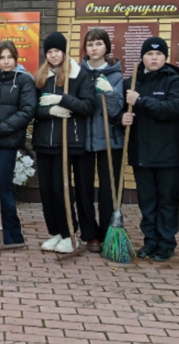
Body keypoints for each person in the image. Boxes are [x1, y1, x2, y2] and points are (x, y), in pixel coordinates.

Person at [121, 37, 179, 262]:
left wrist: (141, 101)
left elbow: (174, 109)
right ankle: (150, 241)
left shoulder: (174, 81)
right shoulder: (132, 82)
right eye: (149, 54)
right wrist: (123, 118)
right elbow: (119, 112)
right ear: (142, 57)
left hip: (168, 155)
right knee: (147, 201)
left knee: (167, 201)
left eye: (158, 54)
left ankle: (166, 243)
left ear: (165, 57)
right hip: (142, 154)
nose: (154, 58)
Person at [32, 32, 96, 254]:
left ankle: (70, 232)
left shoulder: (79, 75)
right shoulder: (41, 77)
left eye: (57, 51)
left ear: (64, 51)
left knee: (61, 189)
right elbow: (33, 109)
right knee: (47, 190)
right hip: (43, 141)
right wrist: (49, 111)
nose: (53, 55)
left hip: (67, 142)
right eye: (49, 52)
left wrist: (63, 99)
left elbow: (89, 106)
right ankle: (55, 232)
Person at [0, 40, 36, 246]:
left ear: (16, 58)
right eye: (2, 58)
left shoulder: (24, 81)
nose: (6, 62)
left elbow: (27, 111)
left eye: (9, 57)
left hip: (8, 143)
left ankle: (12, 235)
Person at [77, 28, 125, 252]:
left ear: (106, 47)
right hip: (83, 140)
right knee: (84, 188)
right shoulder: (78, 73)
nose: (93, 48)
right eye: (89, 44)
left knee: (109, 188)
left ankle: (108, 231)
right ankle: (90, 234)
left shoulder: (115, 75)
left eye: (98, 44)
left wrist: (110, 93)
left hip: (109, 139)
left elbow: (117, 110)